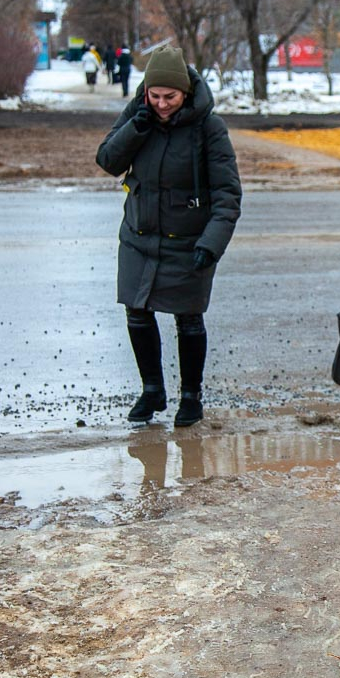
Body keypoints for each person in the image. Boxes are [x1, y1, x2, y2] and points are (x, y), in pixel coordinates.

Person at [95, 46, 242, 426]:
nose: (161, 104)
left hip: (188, 240)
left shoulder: (209, 127)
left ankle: (191, 397)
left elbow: (228, 194)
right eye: (154, 96)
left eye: (170, 97)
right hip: (138, 235)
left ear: (186, 94)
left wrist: (211, 244)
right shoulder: (138, 113)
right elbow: (108, 160)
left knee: (188, 320)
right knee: (137, 312)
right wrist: (136, 127)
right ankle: (152, 390)